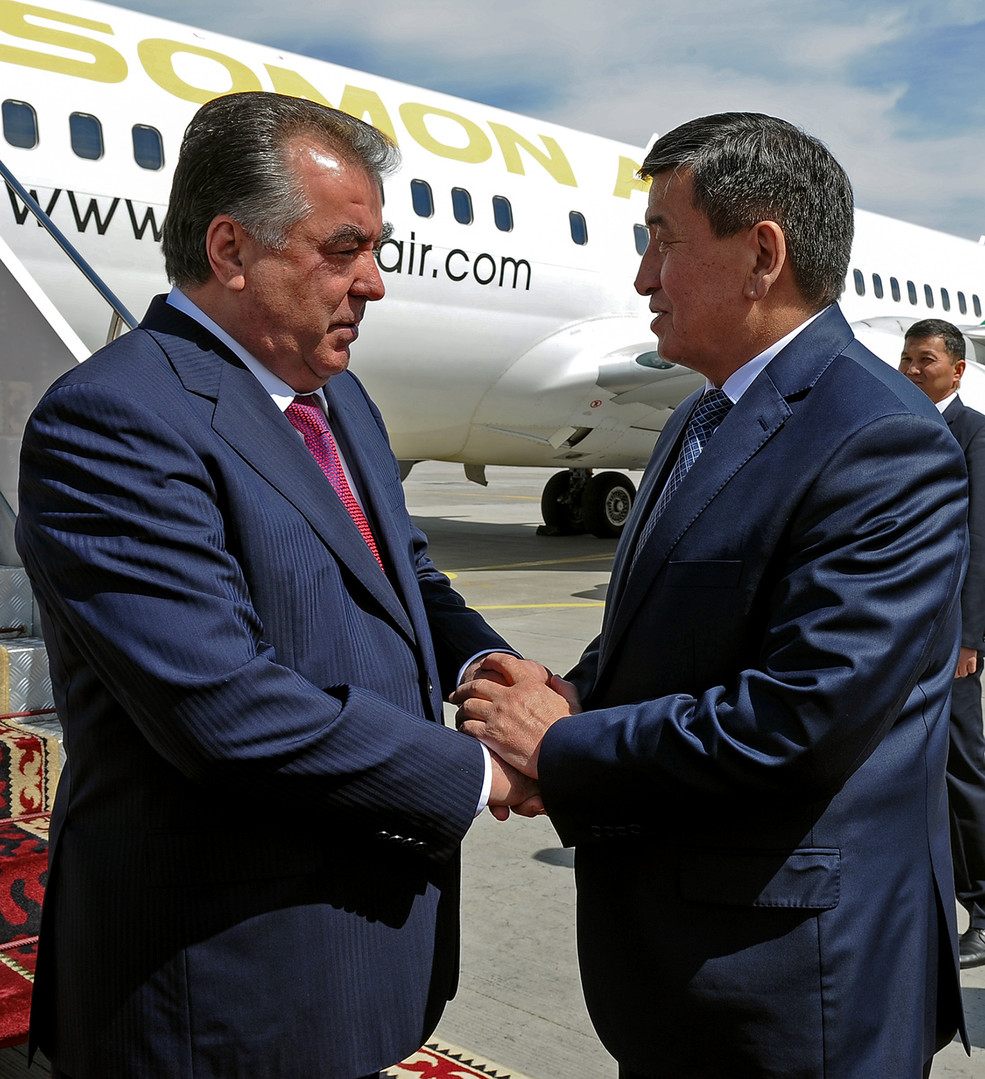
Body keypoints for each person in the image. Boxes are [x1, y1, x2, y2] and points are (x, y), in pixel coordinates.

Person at [15, 91, 537, 1079]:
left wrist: (487, 665)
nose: (374, 283)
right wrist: (482, 770)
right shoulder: (115, 419)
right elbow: (223, 705)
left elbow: (405, 572)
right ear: (230, 250)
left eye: (375, 250)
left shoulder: (336, 397)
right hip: (219, 987)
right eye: (343, 249)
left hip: (352, 953)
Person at [452, 113, 969, 1077]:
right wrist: (570, 693)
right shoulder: (702, 414)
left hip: (793, 979)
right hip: (686, 958)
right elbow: (672, 621)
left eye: (662, 240)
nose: (642, 277)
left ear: (761, 255)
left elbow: (802, 716)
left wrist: (560, 746)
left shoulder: (878, 436)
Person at [900, 318, 985, 970]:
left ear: (956, 369)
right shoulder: (897, 425)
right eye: (905, 358)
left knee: (961, 771)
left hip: (950, 636)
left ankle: (983, 909)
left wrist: (970, 638)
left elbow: (979, 539)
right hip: (898, 631)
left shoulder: (974, 433)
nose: (910, 369)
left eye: (923, 360)